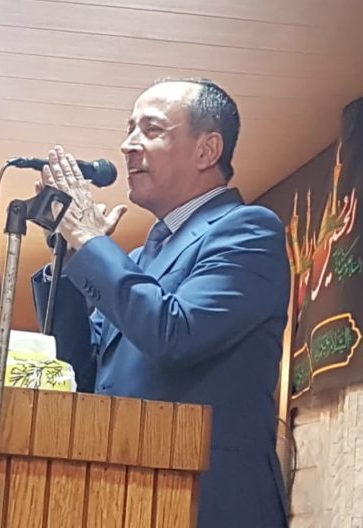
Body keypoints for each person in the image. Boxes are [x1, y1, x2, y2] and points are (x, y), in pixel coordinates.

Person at [31, 78, 290, 527]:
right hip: (125, 495)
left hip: (206, 501)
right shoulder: (136, 260)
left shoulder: (247, 230)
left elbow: (175, 334)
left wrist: (91, 241)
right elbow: (79, 374)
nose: (128, 145)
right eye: (130, 128)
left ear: (207, 150)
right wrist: (70, 253)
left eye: (151, 130)